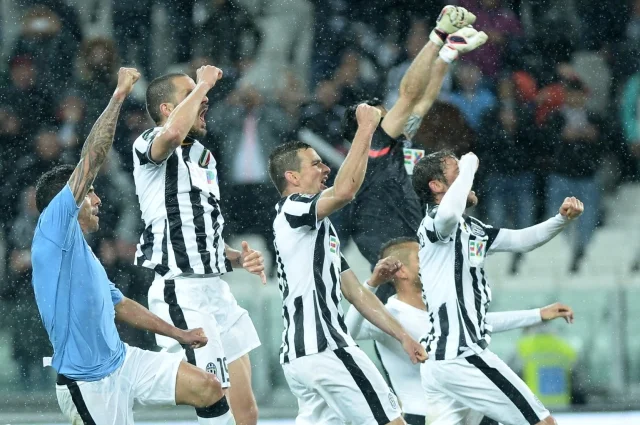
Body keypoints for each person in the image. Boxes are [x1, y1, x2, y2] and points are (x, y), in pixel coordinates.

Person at [31, 67, 225, 424]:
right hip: (86, 382)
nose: (98, 199)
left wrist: (179, 334)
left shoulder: (81, 252)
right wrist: (119, 95)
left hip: (124, 361)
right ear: (67, 200)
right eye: (90, 192)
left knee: (208, 387)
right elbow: (92, 157)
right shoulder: (53, 229)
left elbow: (119, 304)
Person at [267, 104, 427, 425]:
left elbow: (356, 293)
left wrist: (402, 336)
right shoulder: (293, 207)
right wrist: (366, 128)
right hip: (327, 349)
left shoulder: (315, 230)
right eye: (316, 164)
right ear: (292, 177)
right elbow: (345, 191)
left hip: (302, 358)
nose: (325, 168)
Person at [132, 66, 265, 425]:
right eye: (191, 93)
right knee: (213, 401)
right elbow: (173, 132)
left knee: (246, 411)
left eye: (201, 93)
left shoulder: (204, 156)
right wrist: (204, 81)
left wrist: (236, 258)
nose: (204, 99)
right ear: (166, 108)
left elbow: (201, 224)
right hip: (181, 290)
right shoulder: (148, 141)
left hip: (216, 290)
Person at [411, 149, 584, 425]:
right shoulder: (433, 222)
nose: (469, 179)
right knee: (542, 422)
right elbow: (448, 214)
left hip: (442, 363)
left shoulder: (473, 229)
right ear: (436, 186)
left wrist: (560, 220)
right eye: (458, 174)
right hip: (461, 356)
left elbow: (521, 241)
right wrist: (468, 163)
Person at [345, 237, 575, 425]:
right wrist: (371, 284)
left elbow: (480, 323)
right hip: (425, 417)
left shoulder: (441, 305)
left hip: (474, 412)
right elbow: (347, 334)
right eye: (422, 257)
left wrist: (537, 315)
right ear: (401, 271)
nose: (432, 260)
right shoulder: (387, 316)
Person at [339, 5, 487, 267]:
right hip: (387, 240)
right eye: (380, 112)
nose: (389, 112)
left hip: (409, 239)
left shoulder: (395, 141)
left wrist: (447, 55)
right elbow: (409, 95)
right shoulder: (373, 145)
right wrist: (437, 37)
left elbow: (424, 100)